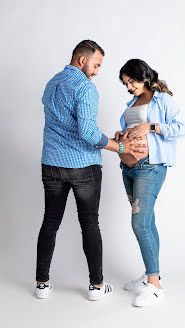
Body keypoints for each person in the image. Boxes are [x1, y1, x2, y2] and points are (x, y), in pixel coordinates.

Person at [35, 41, 147, 300]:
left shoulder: (52, 83)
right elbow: (88, 134)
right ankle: (96, 287)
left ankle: (41, 283)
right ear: (82, 60)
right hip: (82, 166)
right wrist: (120, 147)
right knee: (89, 224)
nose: (97, 71)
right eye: (96, 65)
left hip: (51, 163)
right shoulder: (85, 87)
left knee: (50, 222)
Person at [115, 59, 185, 307]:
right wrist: (120, 135)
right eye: (125, 83)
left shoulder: (162, 100)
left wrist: (151, 126)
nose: (129, 87)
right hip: (128, 168)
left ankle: (155, 286)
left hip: (150, 167)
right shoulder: (131, 104)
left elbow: (181, 128)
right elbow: (130, 130)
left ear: (143, 76)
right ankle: (150, 277)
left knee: (139, 222)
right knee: (148, 220)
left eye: (131, 81)